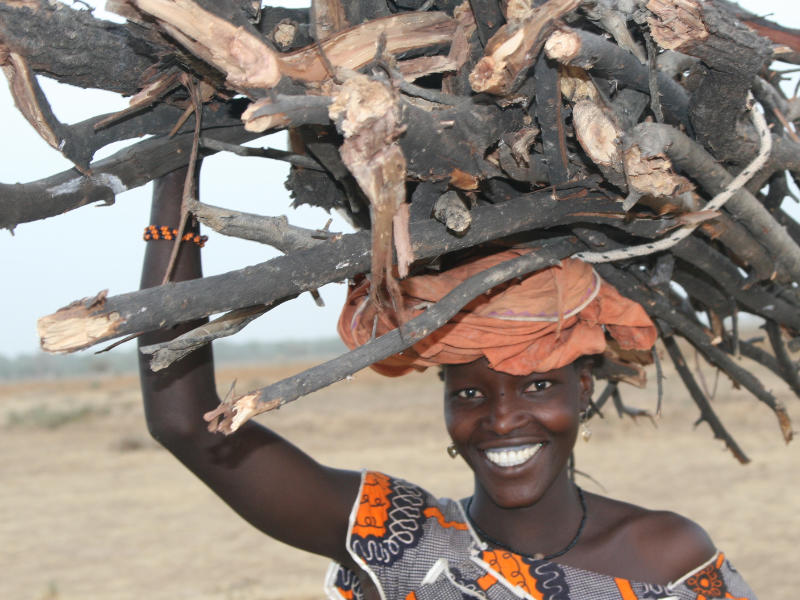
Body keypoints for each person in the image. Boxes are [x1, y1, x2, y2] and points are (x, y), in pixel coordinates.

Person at [139, 170, 757, 600]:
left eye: (538, 386)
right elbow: (183, 423)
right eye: (469, 392)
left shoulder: (669, 557)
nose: (502, 418)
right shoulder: (402, 538)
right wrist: (177, 180)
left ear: (584, 391)